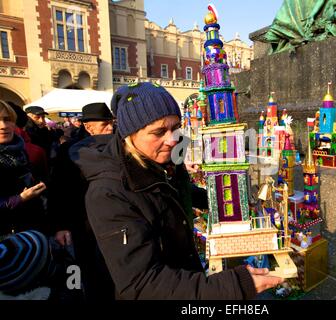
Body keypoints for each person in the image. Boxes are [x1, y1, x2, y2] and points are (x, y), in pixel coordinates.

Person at [73, 82, 283, 299]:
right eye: (159, 131)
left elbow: (181, 191)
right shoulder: (108, 193)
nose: (172, 139)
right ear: (130, 135)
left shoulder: (164, 160)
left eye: (176, 127)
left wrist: (220, 200)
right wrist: (234, 285)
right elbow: (142, 284)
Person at [48, 102, 115, 301]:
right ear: (88, 126)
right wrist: (60, 226)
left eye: (111, 122)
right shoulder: (70, 151)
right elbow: (58, 190)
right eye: (104, 124)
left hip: (112, 220)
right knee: (86, 269)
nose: (110, 128)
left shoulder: (116, 146)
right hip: (81, 222)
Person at [0, 101, 48, 238]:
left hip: (29, 233)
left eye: (7, 120)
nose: (3, 126)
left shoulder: (21, 152)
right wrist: (19, 199)